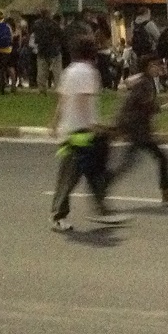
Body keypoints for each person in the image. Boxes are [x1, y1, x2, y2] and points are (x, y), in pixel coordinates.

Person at [50, 37, 126, 231]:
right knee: (71, 177)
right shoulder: (88, 72)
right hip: (82, 133)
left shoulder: (69, 71)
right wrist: (94, 125)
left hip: (70, 130)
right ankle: (60, 215)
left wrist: (55, 124)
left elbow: (62, 100)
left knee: (91, 174)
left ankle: (101, 211)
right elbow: (84, 101)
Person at [107, 52, 168, 206]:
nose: (160, 67)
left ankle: (103, 184)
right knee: (160, 158)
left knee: (128, 163)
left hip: (137, 128)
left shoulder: (146, 81)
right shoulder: (144, 83)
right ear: (148, 67)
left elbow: (146, 103)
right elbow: (149, 107)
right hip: (136, 129)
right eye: (156, 65)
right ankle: (166, 193)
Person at [32, 11, 64, 92]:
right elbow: (61, 35)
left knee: (42, 72)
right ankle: (59, 89)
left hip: (42, 50)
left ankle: (42, 89)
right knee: (57, 72)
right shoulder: (54, 24)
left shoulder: (37, 24)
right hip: (54, 50)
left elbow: (36, 38)